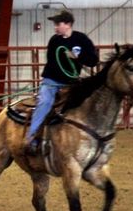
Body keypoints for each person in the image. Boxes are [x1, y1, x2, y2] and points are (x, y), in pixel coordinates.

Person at [25, 10, 98, 155]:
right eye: (55, 24)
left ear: (68, 24)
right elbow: (54, 63)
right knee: (45, 102)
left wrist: (77, 57)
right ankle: (31, 137)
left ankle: (90, 136)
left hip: (72, 82)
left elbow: (93, 60)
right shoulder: (55, 41)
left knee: (87, 104)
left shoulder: (81, 39)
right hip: (52, 81)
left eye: (58, 24)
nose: (55, 27)